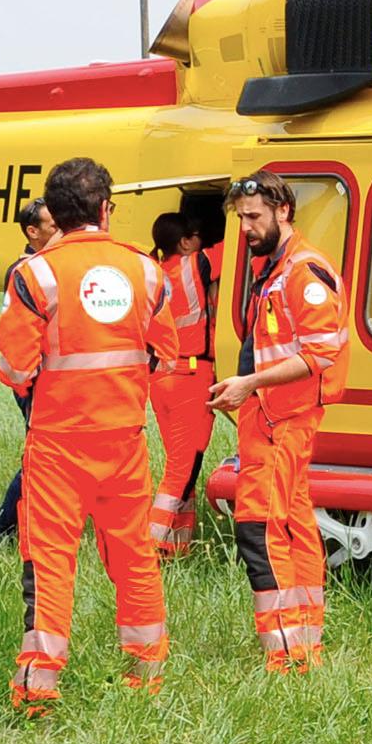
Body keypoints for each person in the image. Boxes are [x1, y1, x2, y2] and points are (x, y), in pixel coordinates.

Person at [0, 160, 179, 711]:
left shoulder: (35, 274)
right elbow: (164, 358)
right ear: (104, 209)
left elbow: (13, 366)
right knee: (135, 557)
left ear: (56, 212)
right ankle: (147, 677)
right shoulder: (145, 271)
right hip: (124, 441)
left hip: (57, 443)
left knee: (50, 562)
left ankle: (38, 693)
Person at [212, 173, 349, 673]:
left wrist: (250, 384)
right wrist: (244, 388)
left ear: (283, 211)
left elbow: (319, 354)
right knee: (292, 524)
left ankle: (285, 654)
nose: (245, 227)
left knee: (260, 527)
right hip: (268, 415)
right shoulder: (274, 266)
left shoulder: (302, 271)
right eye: (240, 218)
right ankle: (303, 643)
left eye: (253, 217)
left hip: (282, 419)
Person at [145, 209, 219, 558]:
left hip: (160, 377)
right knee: (182, 467)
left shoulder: (155, 275)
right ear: (186, 242)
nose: (201, 240)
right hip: (190, 375)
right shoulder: (194, 265)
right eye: (196, 236)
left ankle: (178, 546)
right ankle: (150, 546)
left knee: (187, 463)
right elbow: (233, 249)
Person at [0, 198, 58, 541]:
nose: (59, 230)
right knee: (40, 456)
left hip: (45, 378)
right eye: (51, 225)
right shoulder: (26, 271)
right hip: (34, 381)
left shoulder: (42, 266)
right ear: (32, 232)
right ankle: (5, 528)